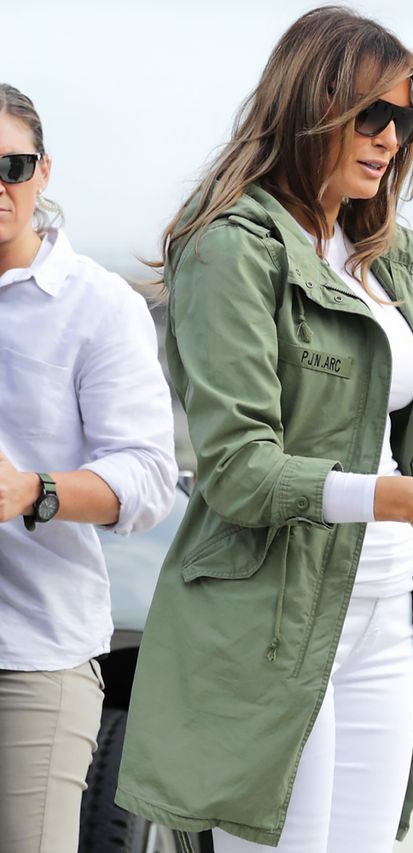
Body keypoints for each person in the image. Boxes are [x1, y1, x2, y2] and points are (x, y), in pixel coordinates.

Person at [114, 9, 413, 850]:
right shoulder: (233, 248)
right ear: (312, 103)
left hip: (382, 618)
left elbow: (392, 449)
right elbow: (240, 472)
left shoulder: (387, 258)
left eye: (406, 120)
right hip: (270, 625)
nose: (390, 139)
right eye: (372, 115)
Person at [0, 84, 178, 852]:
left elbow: (146, 478)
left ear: (44, 171)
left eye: (12, 164)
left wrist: (31, 490)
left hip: (31, 657)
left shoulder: (98, 305)